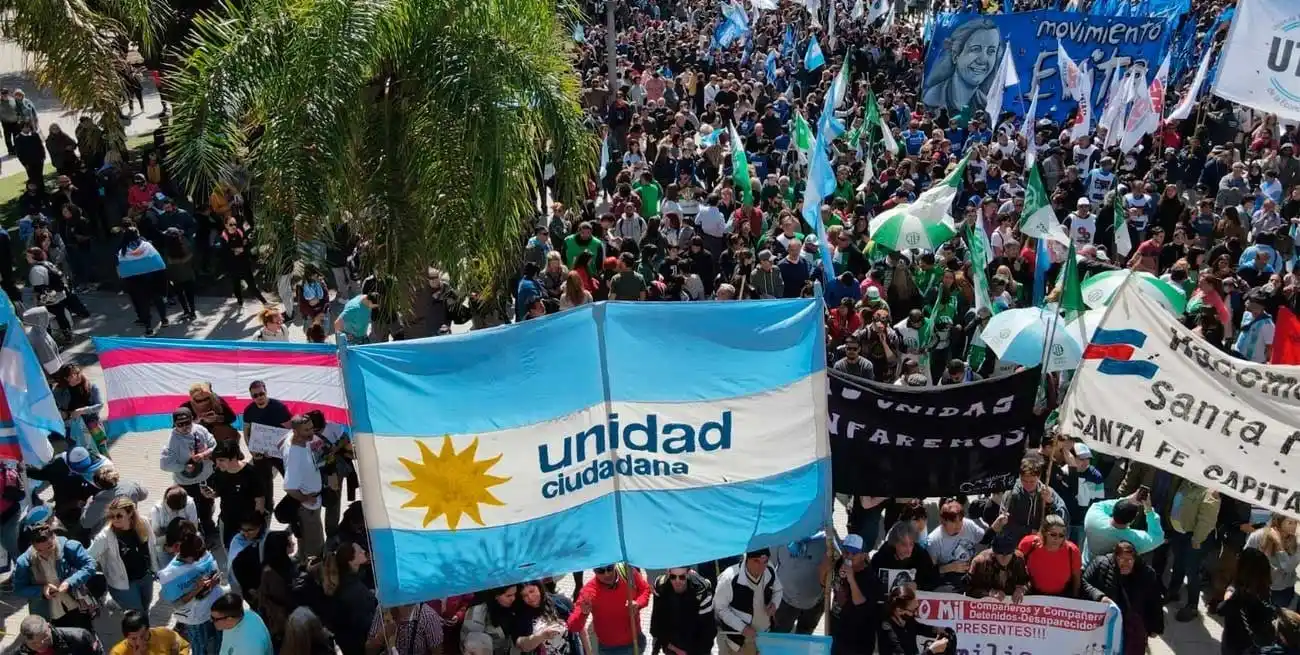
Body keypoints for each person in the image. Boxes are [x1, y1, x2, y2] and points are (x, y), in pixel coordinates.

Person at [12, 522, 99, 632]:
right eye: (40, 551)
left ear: (54, 537)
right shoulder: (24, 562)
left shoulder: (69, 547)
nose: (45, 553)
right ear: (33, 546)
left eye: (50, 547)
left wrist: (69, 582)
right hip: (48, 614)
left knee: (85, 635)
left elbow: (90, 565)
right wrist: (42, 590)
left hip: (77, 606)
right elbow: (19, 589)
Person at [1081, 542, 1164, 655]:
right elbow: (1084, 583)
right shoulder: (1101, 564)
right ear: (1115, 557)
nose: (1125, 564)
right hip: (1106, 625)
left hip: (1132, 629)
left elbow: (1155, 601)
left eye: (1129, 560)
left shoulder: (1147, 573)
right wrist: (1100, 596)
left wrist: (1156, 627)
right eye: (1121, 559)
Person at [296, 539, 376, 655]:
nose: (364, 551)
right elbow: (364, 621)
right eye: (360, 551)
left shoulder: (342, 582)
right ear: (351, 561)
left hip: (344, 640)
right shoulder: (353, 589)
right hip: (357, 644)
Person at [159, 523, 226, 655]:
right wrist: (197, 589)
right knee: (201, 649)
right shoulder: (170, 575)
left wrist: (214, 582)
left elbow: (216, 575)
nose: (198, 559)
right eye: (195, 558)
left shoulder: (201, 552)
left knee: (219, 645)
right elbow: (176, 604)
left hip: (215, 610)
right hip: (197, 621)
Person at [159, 408, 220, 541]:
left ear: (192, 420)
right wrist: (183, 467)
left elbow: (214, 444)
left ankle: (209, 529)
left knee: (207, 504)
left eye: (187, 423)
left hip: (206, 477)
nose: (184, 427)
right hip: (187, 483)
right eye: (180, 424)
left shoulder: (200, 430)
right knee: (191, 509)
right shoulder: (172, 441)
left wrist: (205, 454)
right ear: (175, 424)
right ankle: (195, 534)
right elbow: (164, 464)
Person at [88, 497, 156, 614]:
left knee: (146, 606)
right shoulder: (105, 536)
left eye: (119, 516)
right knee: (137, 614)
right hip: (123, 584)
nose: (115, 519)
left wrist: (155, 569)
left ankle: (115, 604)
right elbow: (89, 556)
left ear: (130, 513)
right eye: (111, 516)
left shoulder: (143, 523)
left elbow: (152, 545)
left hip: (145, 576)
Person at [568, 564, 651, 655]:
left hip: (636, 639)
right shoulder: (588, 592)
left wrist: (638, 603)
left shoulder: (628, 572)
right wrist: (583, 614)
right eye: (600, 571)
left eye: (609, 568)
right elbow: (573, 626)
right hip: (610, 649)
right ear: (594, 571)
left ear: (614, 564)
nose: (607, 574)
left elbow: (645, 588)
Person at [714, 550, 783, 653]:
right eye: (756, 561)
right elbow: (720, 608)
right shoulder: (729, 578)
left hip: (765, 634)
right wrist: (743, 628)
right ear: (747, 559)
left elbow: (778, 590)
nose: (761, 567)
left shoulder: (769, 569)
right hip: (741, 639)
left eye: (765, 561)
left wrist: (774, 604)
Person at [206, 441, 267, 551]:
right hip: (227, 520)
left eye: (221, 460)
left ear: (234, 458)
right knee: (229, 551)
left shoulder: (251, 474)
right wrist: (211, 494)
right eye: (216, 460)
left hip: (247, 524)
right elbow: (219, 492)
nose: (217, 464)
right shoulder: (219, 472)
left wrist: (253, 527)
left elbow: (260, 502)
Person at [240, 380, 291, 509]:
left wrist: (285, 449)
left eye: (261, 394)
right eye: (255, 395)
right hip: (260, 453)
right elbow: (246, 432)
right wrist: (251, 450)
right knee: (264, 483)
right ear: (251, 397)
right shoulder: (249, 410)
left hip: (280, 453)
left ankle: (294, 506)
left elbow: (290, 430)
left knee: (290, 480)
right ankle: (268, 508)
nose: (259, 397)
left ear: (266, 392)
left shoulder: (279, 407)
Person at [1219, 548, 1280, 654]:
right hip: (1254, 646)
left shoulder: (1239, 596)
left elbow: (1221, 609)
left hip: (1234, 645)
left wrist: (1230, 592)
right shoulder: (1265, 592)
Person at [282, 414, 325, 560]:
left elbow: (279, 443)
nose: (311, 433)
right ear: (295, 431)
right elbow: (289, 487)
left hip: (313, 503)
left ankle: (302, 558)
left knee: (308, 539)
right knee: (315, 547)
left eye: (311, 428)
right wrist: (305, 498)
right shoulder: (295, 457)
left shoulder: (293, 437)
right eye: (306, 430)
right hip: (307, 507)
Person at [771, 533, 829, 634]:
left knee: (805, 635)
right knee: (779, 634)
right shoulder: (780, 535)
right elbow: (770, 566)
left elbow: (840, 558)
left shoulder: (827, 537)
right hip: (785, 600)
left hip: (814, 603)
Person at [1083, 492, 1165, 563]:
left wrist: (1129, 499)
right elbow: (1157, 537)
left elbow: (1101, 505)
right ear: (1133, 520)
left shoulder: (1092, 518)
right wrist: (1149, 511)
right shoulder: (1134, 541)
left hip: (1086, 567)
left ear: (1113, 510)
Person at [650, 567, 716, 654]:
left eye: (682, 577)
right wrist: (667, 647)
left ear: (688, 573)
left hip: (697, 648)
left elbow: (708, 631)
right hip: (671, 646)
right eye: (673, 577)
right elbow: (657, 623)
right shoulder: (661, 586)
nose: (677, 581)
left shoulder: (701, 591)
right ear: (668, 572)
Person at [925, 499, 986, 592]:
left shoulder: (969, 525)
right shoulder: (933, 540)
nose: (958, 525)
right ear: (943, 521)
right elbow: (929, 573)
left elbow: (986, 540)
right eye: (953, 521)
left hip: (973, 572)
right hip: (949, 579)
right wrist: (950, 567)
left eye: (960, 520)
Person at [875, 585, 953, 655]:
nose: (916, 613)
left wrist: (936, 630)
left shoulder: (907, 619)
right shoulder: (888, 632)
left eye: (917, 608)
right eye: (913, 610)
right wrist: (931, 650)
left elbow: (918, 627)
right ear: (899, 610)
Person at [1018, 514, 1082, 597]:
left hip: (1062, 595)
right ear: (1044, 533)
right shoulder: (1029, 544)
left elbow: (1076, 578)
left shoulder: (1072, 551)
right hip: (1033, 592)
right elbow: (1016, 567)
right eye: (1053, 534)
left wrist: (1075, 597)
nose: (1057, 538)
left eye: (1061, 535)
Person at [1245, 513, 1300, 610]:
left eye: (1296, 522)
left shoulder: (1297, 542)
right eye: (1290, 523)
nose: (1294, 526)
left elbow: (1288, 567)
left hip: (1281, 590)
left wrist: (1279, 544)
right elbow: (1246, 558)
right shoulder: (1258, 535)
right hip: (1258, 586)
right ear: (1278, 521)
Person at [508, 580, 578, 655]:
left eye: (532, 591)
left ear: (539, 587)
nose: (530, 597)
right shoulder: (521, 616)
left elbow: (579, 629)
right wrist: (542, 636)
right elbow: (520, 645)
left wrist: (586, 650)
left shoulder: (561, 602)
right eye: (524, 595)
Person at [965, 533, 1030, 601]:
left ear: (1013, 552)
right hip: (987, 603)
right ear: (994, 553)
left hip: (1011, 601)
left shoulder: (1018, 559)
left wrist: (1020, 589)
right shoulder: (980, 562)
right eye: (1000, 553)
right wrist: (989, 593)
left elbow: (1027, 581)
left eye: (1008, 553)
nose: (1004, 557)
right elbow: (968, 589)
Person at [463, 585, 519, 655]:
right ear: (496, 596)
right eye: (508, 596)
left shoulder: (509, 607)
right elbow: (472, 644)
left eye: (514, 594)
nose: (513, 598)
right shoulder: (478, 611)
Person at [110, 610, 191, 655]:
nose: (139, 642)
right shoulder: (117, 653)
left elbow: (184, 646)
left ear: (148, 629)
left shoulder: (165, 634)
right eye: (134, 638)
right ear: (126, 637)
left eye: (143, 636)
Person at [17, 614, 104, 655]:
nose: (41, 645)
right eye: (34, 643)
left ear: (49, 626)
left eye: (44, 637)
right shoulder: (23, 650)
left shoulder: (80, 637)